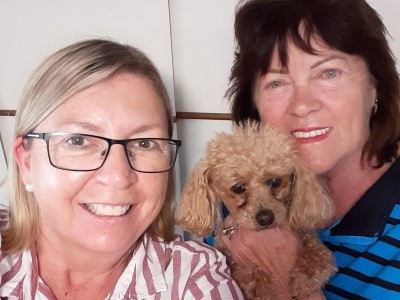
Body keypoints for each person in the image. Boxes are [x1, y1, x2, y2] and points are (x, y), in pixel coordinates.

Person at [0, 39, 243, 299]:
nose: (118, 176)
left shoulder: (196, 278)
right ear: (26, 162)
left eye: (145, 143)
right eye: (78, 140)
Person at [217, 0, 400, 299]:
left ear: (375, 86)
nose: (302, 105)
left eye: (329, 73)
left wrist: (281, 272)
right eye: (277, 82)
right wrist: (228, 234)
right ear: (254, 103)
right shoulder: (234, 194)